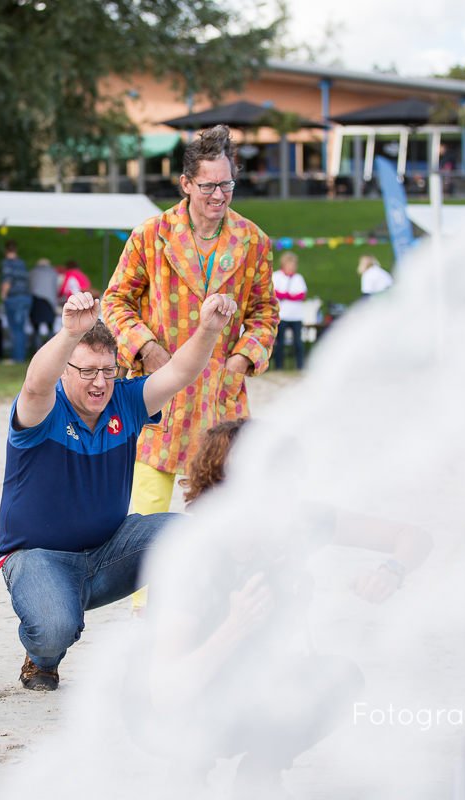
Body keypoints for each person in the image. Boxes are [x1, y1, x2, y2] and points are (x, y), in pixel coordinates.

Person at [125, 421, 433, 798]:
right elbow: (164, 694)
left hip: (246, 686)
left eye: (290, 479)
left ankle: (259, 773)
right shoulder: (194, 558)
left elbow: (413, 536)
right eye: (276, 482)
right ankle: (189, 766)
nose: (291, 493)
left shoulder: (296, 523)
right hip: (168, 711)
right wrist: (235, 626)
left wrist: (391, 571)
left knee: (339, 677)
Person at [0, 290, 239, 691]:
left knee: (192, 536)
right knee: (54, 628)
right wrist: (69, 333)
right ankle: (42, 658)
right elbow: (35, 386)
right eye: (88, 371)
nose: (100, 382)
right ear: (65, 371)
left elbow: (180, 373)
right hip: (39, 557)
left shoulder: (125, 401)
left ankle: (167, 646)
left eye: (108, 371)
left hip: (110, 551)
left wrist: (209, 329)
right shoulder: (43, 410)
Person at [101, 124, 279, 615]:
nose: (219, 195)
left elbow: (265, 311)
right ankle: (145, 616)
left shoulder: (253, 240)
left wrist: (241, 359)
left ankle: (214, 609)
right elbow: (114, 301)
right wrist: (147, 349)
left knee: (223, 513)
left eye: (227, 184)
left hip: (221, 400)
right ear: (185, 183)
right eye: (208, 186)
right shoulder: (151, 235)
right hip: (157, 399)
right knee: (147, 518)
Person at [271, 251, 306, 370]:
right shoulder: (276, 276)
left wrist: (286, 295)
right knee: (280, 342)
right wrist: (290, 295)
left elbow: (301, 294)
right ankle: (278, 366)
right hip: (282, 314)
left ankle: (300, 366)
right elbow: (274, 293)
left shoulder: (298, 278)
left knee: (298, 342)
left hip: (296, 315)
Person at [0, 240, 32, 364]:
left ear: (5, 250)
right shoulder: (21, 262)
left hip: (14, 298)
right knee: (21, 328)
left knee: (15, 328)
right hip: (26, 297)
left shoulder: (7, 262)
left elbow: (7, 280)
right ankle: (21, 355)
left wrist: (3, 295)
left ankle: (17, 357)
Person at [28, 257, 59, 349]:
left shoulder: (33, 272)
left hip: (36, 301)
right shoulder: (53, 273)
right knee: (50, 328)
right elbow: (56, 288)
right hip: (49, 302)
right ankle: (52, 350)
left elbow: (29, 286)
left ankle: (38, 350)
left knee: (36, 329)